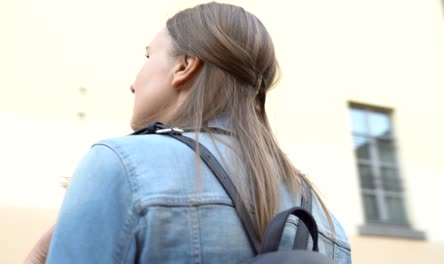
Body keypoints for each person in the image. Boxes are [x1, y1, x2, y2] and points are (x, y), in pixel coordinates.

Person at [26, 2, 351, 263]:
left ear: (184, 66)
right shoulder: (326, 221)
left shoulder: (120, 167)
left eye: (148, 55)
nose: (133, 82)